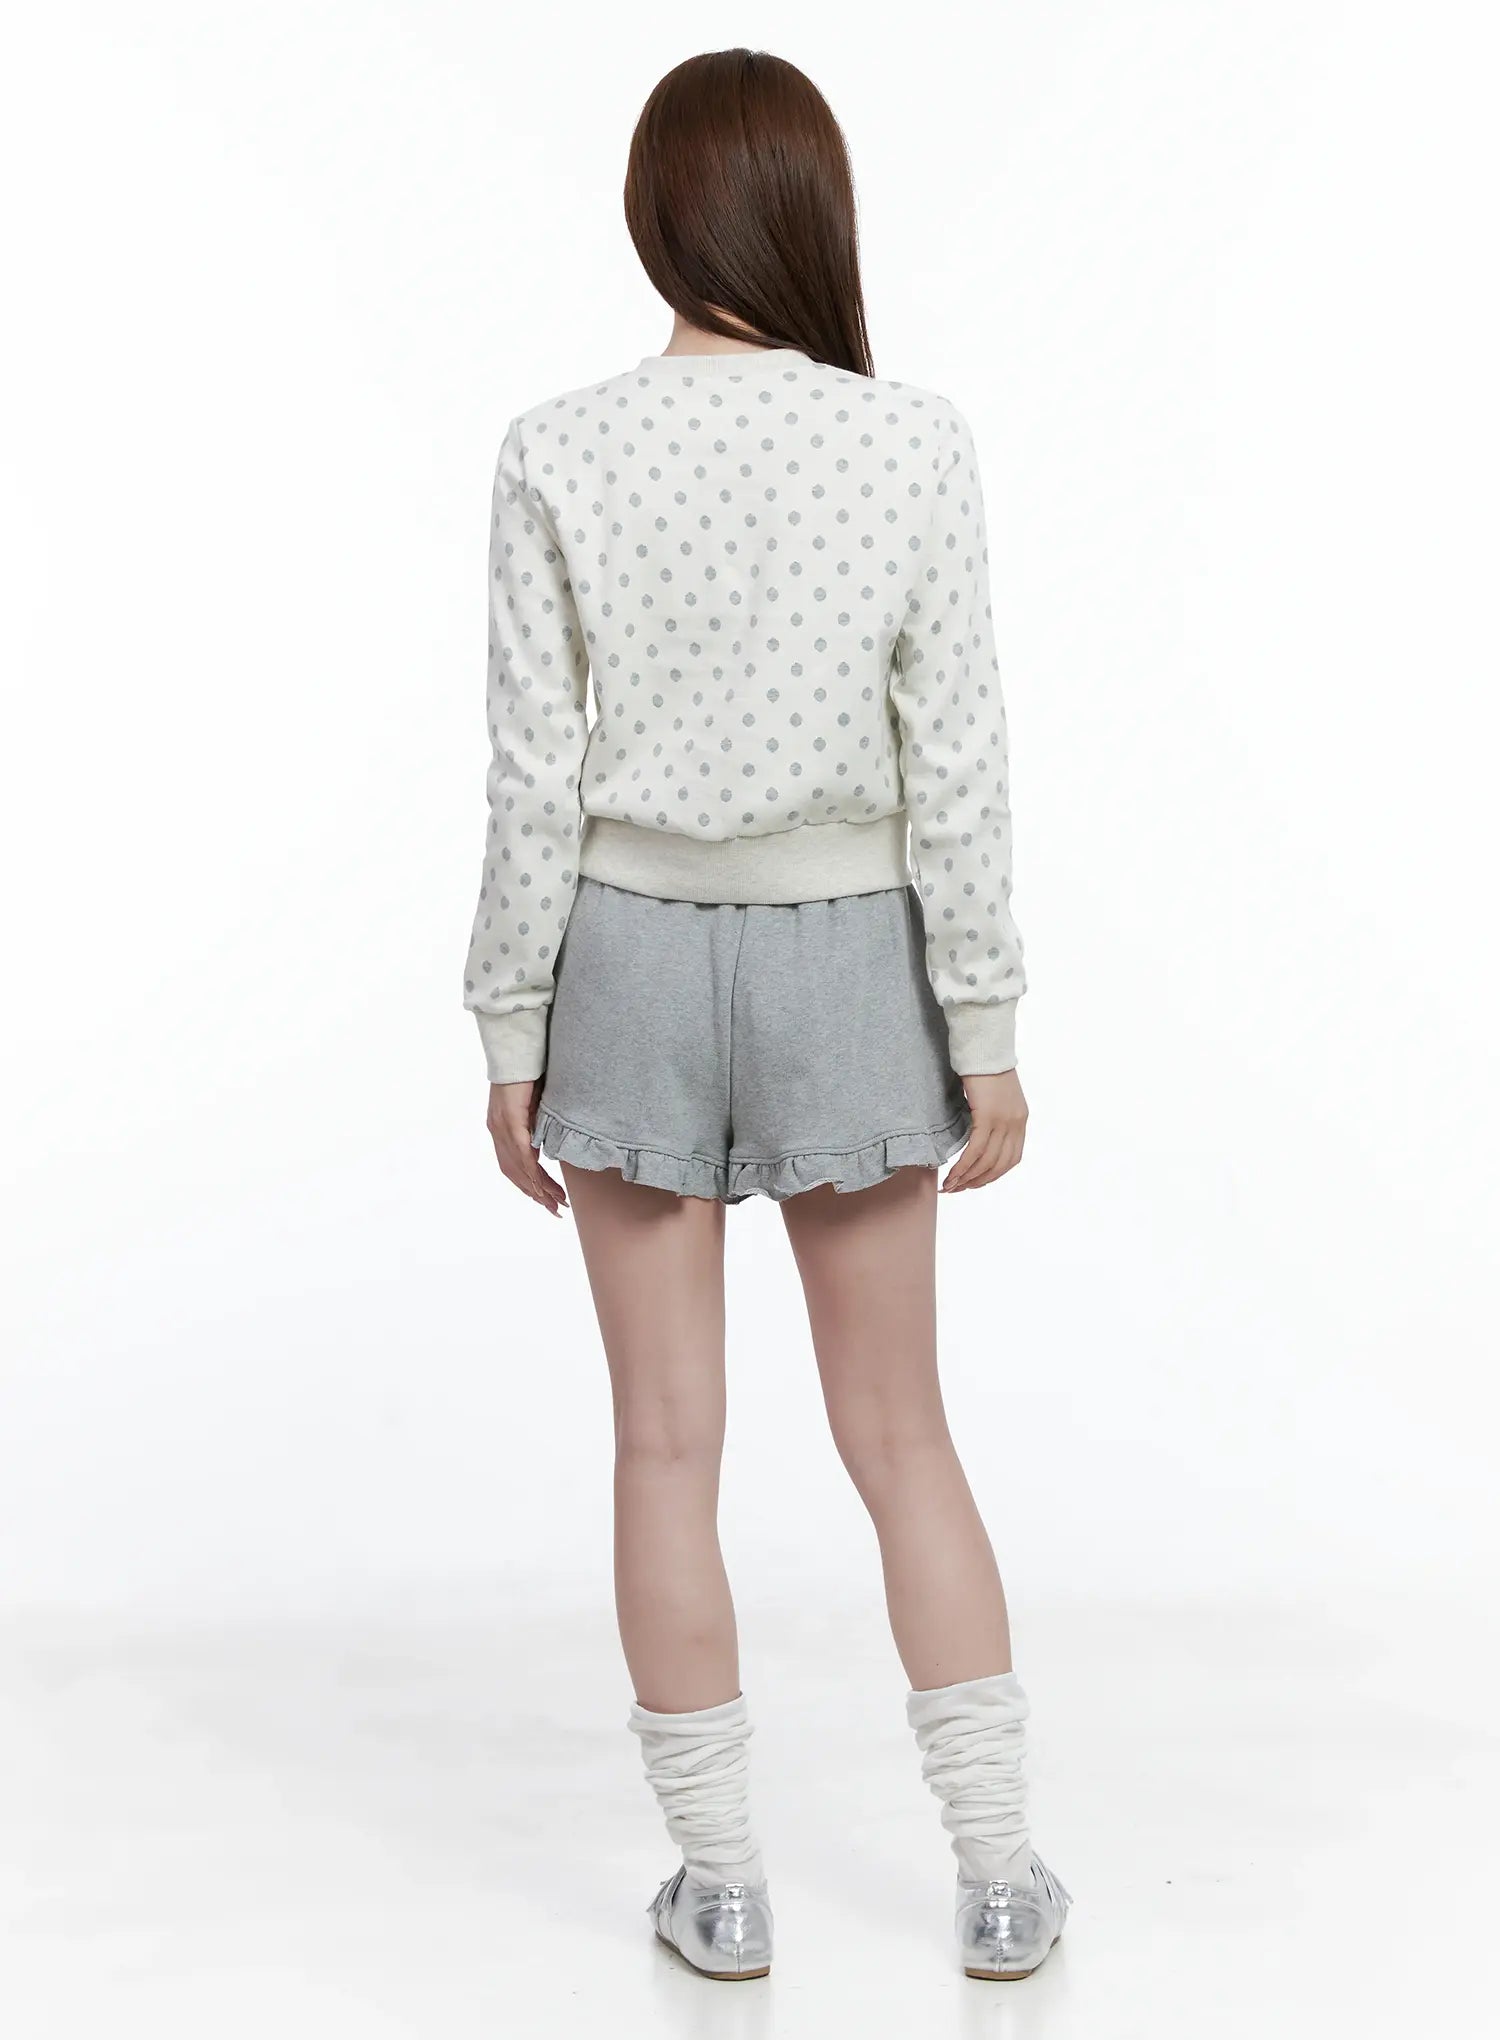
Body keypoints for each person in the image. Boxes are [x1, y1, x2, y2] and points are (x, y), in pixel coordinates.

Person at [464, 48, 1069, 1983]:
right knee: (902, 1432)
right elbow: (956, 760)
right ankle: (998, 1879)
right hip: (850, 960)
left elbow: (532, 778)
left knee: (664, 1444)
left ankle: (719, 1891)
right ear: (815, 213)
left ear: (656, 218)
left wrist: (509, 1030)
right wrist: (985, 1022)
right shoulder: (912, 445)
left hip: (628, 957)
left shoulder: (556, 449)